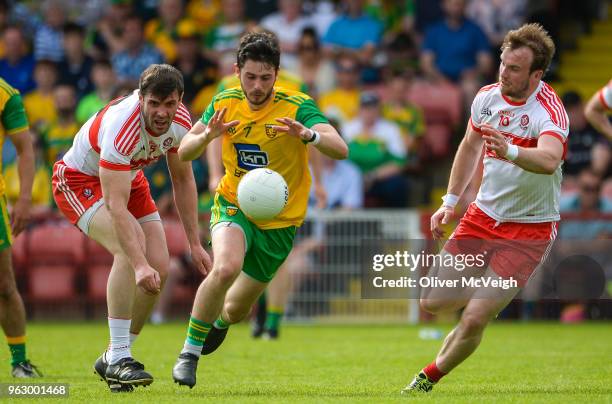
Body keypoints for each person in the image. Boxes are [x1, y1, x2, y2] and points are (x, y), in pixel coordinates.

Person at [171, 31, 347, 388]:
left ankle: (219, 323)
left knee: (236, 310)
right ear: (237, 71)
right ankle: (187, 355)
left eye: (265, 77)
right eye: (250, 76)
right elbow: (185, 150)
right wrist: (207, 135)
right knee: (225, 267)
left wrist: (308, 135)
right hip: (233, 202)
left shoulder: (297, 104)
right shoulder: (224, 100)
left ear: (276, 74)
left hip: (280, 222)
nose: (256, 85)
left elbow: (340, 148)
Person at [402, 23, 568, 394]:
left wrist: (508, 148)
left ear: (536, 74)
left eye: (514, 69)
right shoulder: (486, 98)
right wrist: (449, 202)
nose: (503, 73)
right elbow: (468, 146)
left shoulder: (549, 111)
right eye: (502, 64)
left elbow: (549, 159)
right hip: (482, 217)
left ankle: (427, 378)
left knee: (476, 317)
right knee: (433, 300)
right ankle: (489, 286)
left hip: (530, 228)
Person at [51, 64, 211, 392]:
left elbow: (182, 179)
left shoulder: (182, 123)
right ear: (141, 98)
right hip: (79, 180)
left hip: (129, 177)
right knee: (132, 248)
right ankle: (121, 358)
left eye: (169, 104)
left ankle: (113, 356)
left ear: (179, 99)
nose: (162, 113)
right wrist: (138, 264)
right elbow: (114, 205)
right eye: (154, 104)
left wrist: (194, 243)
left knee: (161, 268)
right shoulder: (122, 127)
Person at [0, 76, 37, 378]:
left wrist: (24, 199)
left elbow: (25, 149)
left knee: (4, 285)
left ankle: (20, 362)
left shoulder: (5, 94)